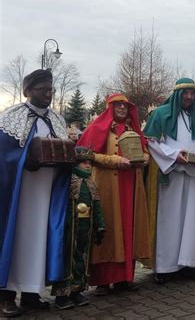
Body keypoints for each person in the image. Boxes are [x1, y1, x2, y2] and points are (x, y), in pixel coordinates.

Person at [0, 69, 70, 317]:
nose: (48, 95)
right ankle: (6, 296)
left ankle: (30, 294)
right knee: (16, 240)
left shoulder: (57, 119)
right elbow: (3, 154)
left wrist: (66, 161)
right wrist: (23, 161)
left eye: (51, 90)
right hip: (19, 195)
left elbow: (64, 148)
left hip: (46, 191)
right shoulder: (11, 117)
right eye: (43, 90)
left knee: (39, 240)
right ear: (28, 91)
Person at [143, 78, 195, 284]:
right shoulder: (160, 114)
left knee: (193, 220)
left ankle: (190, 263)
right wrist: (173, 155)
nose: (189, 97)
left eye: (192, 93)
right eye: (185, 93)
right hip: (171, 176)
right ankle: (165, 267)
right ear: (177, 94)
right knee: (169, 220)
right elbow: (151, 143)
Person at [77, 93, 151, 295]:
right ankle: (102, 280)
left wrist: (143, 159)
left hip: (131, 186)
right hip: (108, 187)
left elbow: (145, 151)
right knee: (108, 228)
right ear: (110, 107)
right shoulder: (98, 128)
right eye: (117, 105)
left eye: (124, 106)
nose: (121, 109)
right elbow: (89, 154)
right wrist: (116, 161)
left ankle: (124, 278)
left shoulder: (131, 129)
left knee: (128, 229)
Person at [52, 147, 106, 309]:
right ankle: (62, 294)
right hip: (71, 228)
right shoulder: (68, 181)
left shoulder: (91, 183)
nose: (88, 166)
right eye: (83, 162)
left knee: (82, 258)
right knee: (67, 259)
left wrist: (101, 225)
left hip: (86, 229)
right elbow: (60, 205)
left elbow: (97, 206)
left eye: (89, 163)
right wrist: (65, 223)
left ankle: (77, 291)